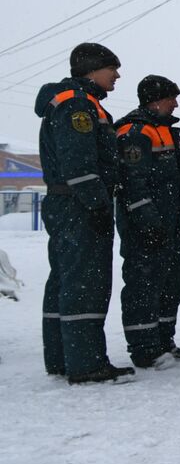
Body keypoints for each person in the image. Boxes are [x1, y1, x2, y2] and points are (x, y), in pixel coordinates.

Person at [34, 43, 134, 384]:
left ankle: (62, 357)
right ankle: (86, 362)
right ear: (92, 68)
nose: (117, 75)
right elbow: (78, 163)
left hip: (67, 202)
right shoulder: (77, 104)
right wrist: (96, 204)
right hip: (78, 203)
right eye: (112, 68)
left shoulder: (73, 101)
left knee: (64, 279)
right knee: (85, 281)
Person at [115, 75, 180, 369]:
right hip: (144, 227)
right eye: (171, 98)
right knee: (143, 285)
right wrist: (148, 223)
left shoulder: (165, 131)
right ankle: (144, 349)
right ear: (156, 100)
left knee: (172, 282)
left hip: (168, 224)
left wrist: (177, 221)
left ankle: (163, 340)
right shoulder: (134, 132)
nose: (176, 104)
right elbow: (133, 184)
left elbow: (172, 184)